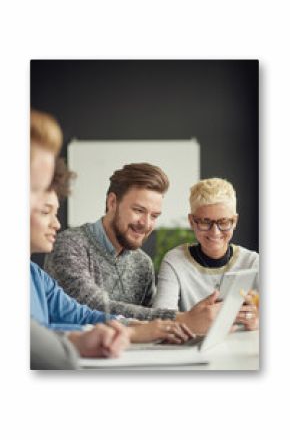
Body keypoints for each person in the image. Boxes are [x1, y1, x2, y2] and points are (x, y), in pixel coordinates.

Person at [32, 158, 194, 344]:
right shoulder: (69, 245)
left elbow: (151, 323)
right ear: (112, 202)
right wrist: (180, 318)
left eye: (154, 216)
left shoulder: (143, 263)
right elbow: (92, 307)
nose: (147, 223)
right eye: (139, 210)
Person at [30, 110, 130, 369]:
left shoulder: (35, 275)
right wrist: (75, 340)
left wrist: (135, 326)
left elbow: (73, 317)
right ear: (111, 203)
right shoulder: (71, 244)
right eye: (33, 190)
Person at [152, 177, 259, 331]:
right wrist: (194, 321)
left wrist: (260, 321)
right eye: (204, 222)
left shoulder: (253, 262)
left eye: (223, 222)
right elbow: (160, 319)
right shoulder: (174, 261)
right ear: (191, 221)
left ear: (234, 221)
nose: (215, 232)